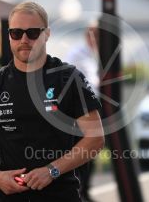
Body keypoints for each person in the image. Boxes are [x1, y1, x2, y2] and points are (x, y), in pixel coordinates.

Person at [0, 1, 105, 202]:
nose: (24, 39)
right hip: (7, 194)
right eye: (16, 33)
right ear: (9, 35)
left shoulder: (68, 78)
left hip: (59, 195)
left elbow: (96, 138)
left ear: (46, 34)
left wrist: (52, 171)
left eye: (32, 33)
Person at [65, 22, 100, 202]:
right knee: (82, 153)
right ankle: (79, 192)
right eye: (95, 35)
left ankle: (84, 191)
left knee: (90, 154)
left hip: (90, 112)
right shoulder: (78, 54)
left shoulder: (93, 55)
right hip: (79, 114)